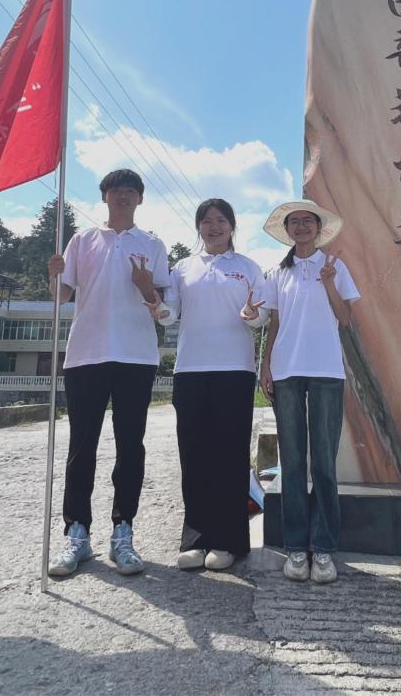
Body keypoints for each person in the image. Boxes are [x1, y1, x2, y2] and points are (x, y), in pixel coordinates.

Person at [46, 168, 171, 577]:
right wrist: (53, 275)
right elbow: (62, 296)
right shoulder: (82, 240)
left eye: (131, 191)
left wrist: (145, 285)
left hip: (136, 355)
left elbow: (161, 307)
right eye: (116, 191)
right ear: (104, 196)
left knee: (130, 446)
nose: (123, 197)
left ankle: (123, 532)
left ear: (140, 199)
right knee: (81, 446)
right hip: (86, 354)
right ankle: (77, 533)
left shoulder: (152, 244)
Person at [146, 198, 268, 571]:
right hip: (191, 370)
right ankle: (196, 539)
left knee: (230, 456)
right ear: (199, 227)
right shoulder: (183, 268)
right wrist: (156, 306)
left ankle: (228, 541)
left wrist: (252, 314)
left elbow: (261, 316)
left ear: (232, 226)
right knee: (194, 454)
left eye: (221, 221)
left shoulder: (247, 267)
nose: (214, 227)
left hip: (235, 369)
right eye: (207, 221)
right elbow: (170, 315)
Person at [259, 199, 360, 584]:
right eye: (294, 222)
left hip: (326, 371)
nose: (301, 226)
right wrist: (266, 365)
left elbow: (346, 318)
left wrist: (329, 282)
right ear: (288, 231)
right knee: (292, 461)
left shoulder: (334, 267)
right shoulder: (277, 272)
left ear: (319, 228)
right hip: (286, 370)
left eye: (307, 221)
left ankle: (324, 547)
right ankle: (296, 547)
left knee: (323, 462)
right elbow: (274, 322)